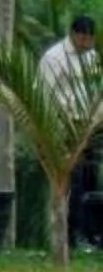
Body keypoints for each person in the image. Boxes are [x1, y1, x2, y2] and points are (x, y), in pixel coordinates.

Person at [43, 16, 101, 248]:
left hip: (89, 126)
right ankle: (67, 237)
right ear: (74, 34)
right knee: (72, 182)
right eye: (83, 37)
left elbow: (97, 90)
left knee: (90, 181)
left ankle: (89, 235)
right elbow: (46, 94)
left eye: (90, 38)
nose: (87, 42)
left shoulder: (92, 56)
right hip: (64, 127)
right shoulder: (54, 58)